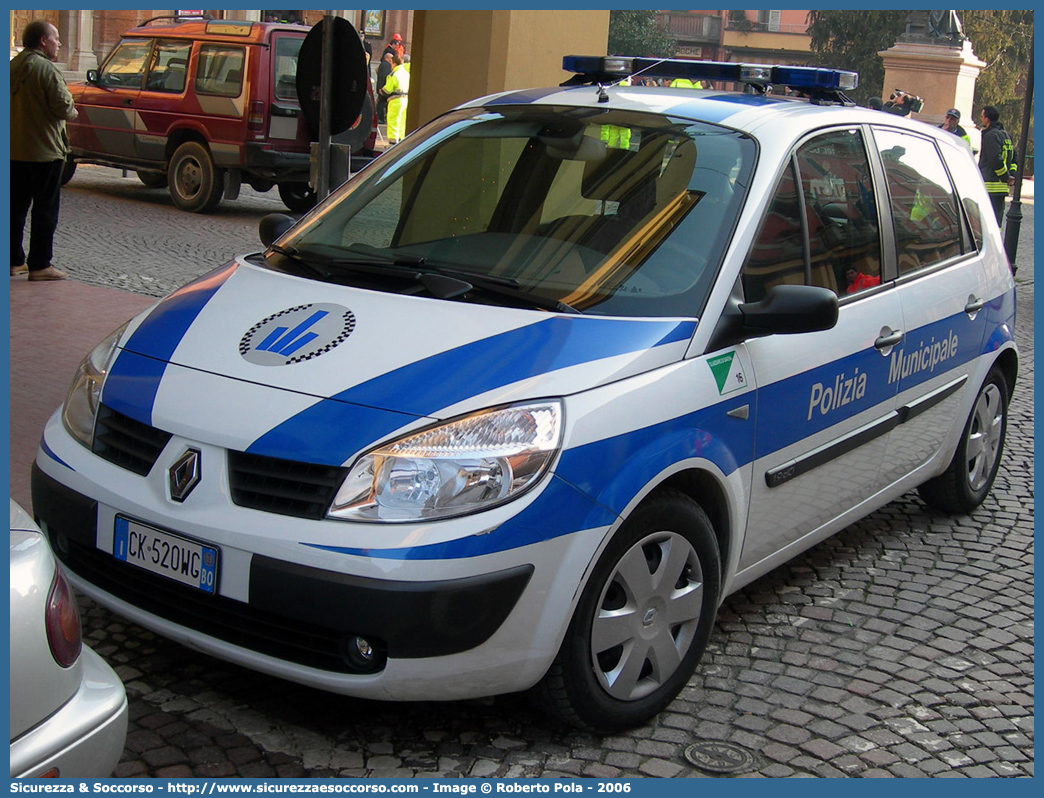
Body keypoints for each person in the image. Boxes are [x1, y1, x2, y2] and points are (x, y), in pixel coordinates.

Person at [10, 20, 78, 281]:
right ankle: (40, 264)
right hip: (44, 152)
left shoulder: (12, 66)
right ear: (42, 41)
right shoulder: (46, 70)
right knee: (44, 210)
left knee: (14, 208)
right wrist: (73, 111)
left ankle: (13, 260)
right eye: (55, 38)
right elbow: (63, 106)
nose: (58, 43)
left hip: (15, 149)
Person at [978, 105, 1016, 225]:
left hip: (989, 186)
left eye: (982, 116)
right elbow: (1014, 158)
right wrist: (1011, 176)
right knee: (996, 223)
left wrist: (1005, 176)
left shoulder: (990, 135)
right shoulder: (1006, 135)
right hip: (1002, 188)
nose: (981, 118)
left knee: (985, 223)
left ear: (987, 119)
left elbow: (995, 159)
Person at [381, 53, 410, 145]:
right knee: (402, 122)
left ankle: (392, 143)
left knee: (393, 121)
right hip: (405, 100)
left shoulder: (394, 74)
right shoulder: (406, 73)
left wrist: (381, 91)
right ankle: (401, 141)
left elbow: (387, 90)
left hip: (395, 101)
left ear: (394, 63)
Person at [375, 51, 394, 124]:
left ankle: (381, 117)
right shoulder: (386, 65)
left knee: (382, 103)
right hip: (383, 88)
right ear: (387, 58)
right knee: (381, 103)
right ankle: (380, 118)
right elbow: (384, 77)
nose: (392, 59)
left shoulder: (384, 65)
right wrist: (382, 88)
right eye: (391, 58)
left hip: (382, 87)